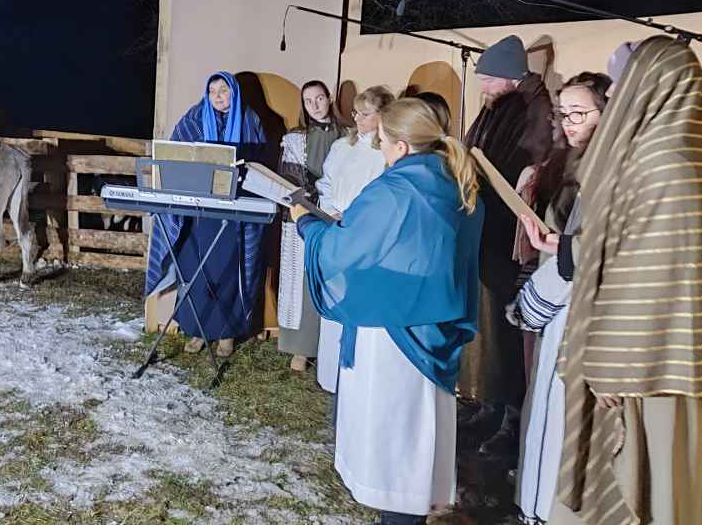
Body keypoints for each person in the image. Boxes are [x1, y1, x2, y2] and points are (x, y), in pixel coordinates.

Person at [525, 36, 702, 525]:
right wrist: (567, 248)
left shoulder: (666, 161)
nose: (618, 92)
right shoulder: (690, 149)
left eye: (627, 82)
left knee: (638, 491)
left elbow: (655, 278)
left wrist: (610, 364)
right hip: (667, 360)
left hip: (640, 372)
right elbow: (626, 246)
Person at [296, 97, 484, 525]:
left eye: (381, 141)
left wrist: (306, 224)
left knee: (392, 437)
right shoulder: (455, 178)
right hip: (434, 325)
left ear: (400, 145)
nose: (378, 149)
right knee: (420, 436)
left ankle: (398, 516)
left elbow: (343, 248)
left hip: (393, 328)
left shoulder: (396, 189)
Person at [508, 72, 610, 524]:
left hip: (582, 315)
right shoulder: (572, 162)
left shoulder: (610, 169)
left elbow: (600, 249)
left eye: (580, 113)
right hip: (559, 299)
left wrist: (555, 267)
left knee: (565, 427)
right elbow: (575, 239)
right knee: (546, 414)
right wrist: (553, 243)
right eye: (563, 113)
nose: (569, 123)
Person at [459, 34, 553, 457]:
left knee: (509, 332)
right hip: (487, 231)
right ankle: (491, 405)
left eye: (487, 80)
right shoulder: (500, 105)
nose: (483, 89)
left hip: (510, 240)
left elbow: (530, 169)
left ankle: (511, 420)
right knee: (491, 329)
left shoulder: (534, 110)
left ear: (508, 77)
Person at [144, 72, 267, 359]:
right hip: (198, 212)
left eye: (224, 90)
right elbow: (175, 152)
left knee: (227, 270)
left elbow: (261, 163)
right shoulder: (195, 118)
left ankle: (226, 333)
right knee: (196, 269)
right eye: (212, 91)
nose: (218, 96)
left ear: (234, 92)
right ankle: (197, 329)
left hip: (234, 212)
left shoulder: (250, 120)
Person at [313, 85, 394, 390]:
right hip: (335, 225)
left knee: (354, 300)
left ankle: (353, 373)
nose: (357, 118)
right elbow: (327, 182)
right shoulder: (342, 146)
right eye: (356, 112)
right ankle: (329, 373)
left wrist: (353, 217)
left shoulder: (385, 152)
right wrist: (330, 210)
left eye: (365, 113)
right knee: (333, 297)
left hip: (363, 234)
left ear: (383, 116)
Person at [277, 80, 343, 372]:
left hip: (339, 215)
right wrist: (313, 202)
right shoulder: (295, 138)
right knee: (302, 282)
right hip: (307, 213)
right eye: (308, 101)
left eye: (319, 98)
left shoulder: (350, 137)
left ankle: (331, 347)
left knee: (332, 280)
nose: (315, 105)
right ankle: (301, 348)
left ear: (330, 98)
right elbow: (291, 177)